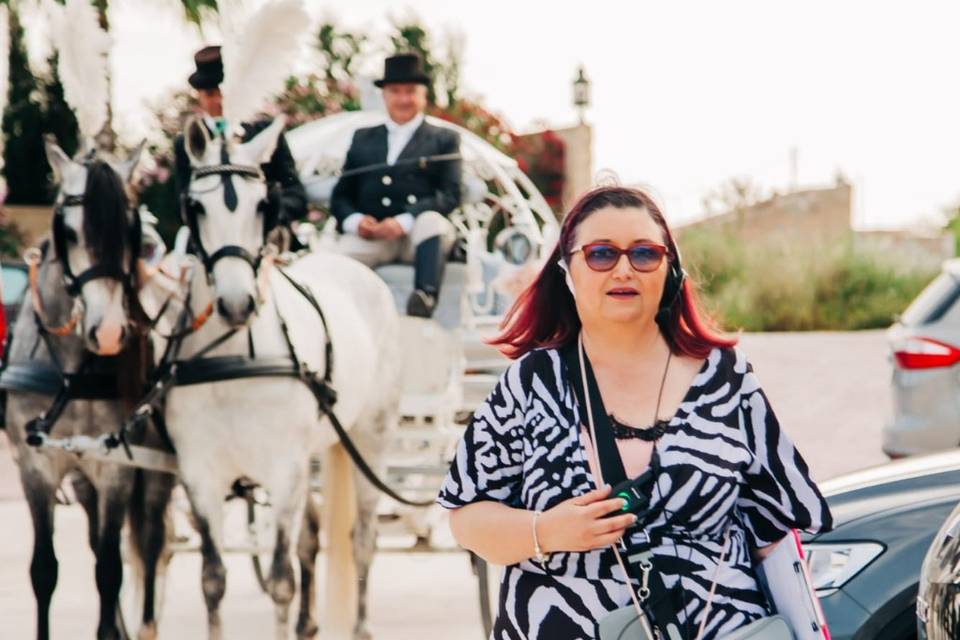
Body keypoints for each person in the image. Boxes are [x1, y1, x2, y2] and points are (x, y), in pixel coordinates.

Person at [437, 185, 832, 639]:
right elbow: (466, 517)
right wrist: (546, 530)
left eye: (645, 254)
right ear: (567, 270)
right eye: (601, 254)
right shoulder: (530, 384)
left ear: (670, 270)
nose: (624, 268)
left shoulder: (728, 378)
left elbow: (778, 535)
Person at [330, 53, 461, 318]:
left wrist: (404, 221)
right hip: (375, 235)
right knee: (336, 258)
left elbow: (450, 194)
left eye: (410, 91)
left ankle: (424, 297)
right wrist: (356, 221)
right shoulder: (362, 138)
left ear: (423, 95)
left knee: (432, 221)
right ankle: (336, 316)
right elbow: (341, 195)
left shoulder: (444, 139)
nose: (403, 99)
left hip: (418, 238)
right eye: (395, 91)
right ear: (384, 95)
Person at [173, 45, 307, 235]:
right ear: (199, 97)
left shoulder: (266, 132)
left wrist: (265, 215)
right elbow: (182, 205)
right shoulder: (187, 143)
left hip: (268, 236)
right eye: (210, 94)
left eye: (223, 92)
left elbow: (295, 193)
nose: (218, 101)